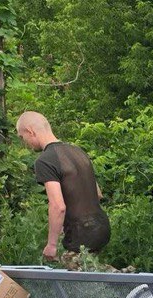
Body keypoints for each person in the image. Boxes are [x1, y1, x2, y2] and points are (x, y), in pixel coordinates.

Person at [15, 111, 111, 269]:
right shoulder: (78, 151)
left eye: (21, 137)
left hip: (81, 234)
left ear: (30, 131)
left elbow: (58, 206)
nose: (24, 142)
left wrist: (52, 245)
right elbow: (98, 194)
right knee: (89, 272)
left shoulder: (45, 160)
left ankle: (134, 283)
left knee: (72, 271)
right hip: (102, 227)